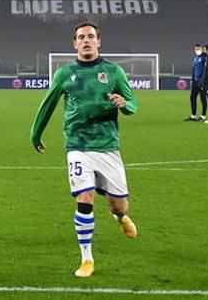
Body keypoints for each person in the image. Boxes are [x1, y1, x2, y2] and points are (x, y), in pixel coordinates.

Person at [30, 21, 138, 278]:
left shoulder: (113, 72)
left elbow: (132, 102)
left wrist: (125, 104)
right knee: (85, 197)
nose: (86, 40)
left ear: (99, 42)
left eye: (91, 36)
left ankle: (120, 218)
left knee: (119, 205)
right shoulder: (64, 73)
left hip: (108, 146)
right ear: (75, 43)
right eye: (81, 37)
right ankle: (87, 258)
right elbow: (48, 104)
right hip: (77, 145)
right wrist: (35, 134)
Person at [186, 44, 207, 121]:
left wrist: (203, 80)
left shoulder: (204, 58)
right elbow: (194, 70)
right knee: (192, 97)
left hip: (201, 82)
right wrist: (192, 79)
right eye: (196, 49)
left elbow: (205, 69)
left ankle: (203, 116)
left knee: (203, 98)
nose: (197, 50)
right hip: (195, 82)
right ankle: (193, 115)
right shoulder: (195, 59)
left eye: (198, 49)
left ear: (201, 49)